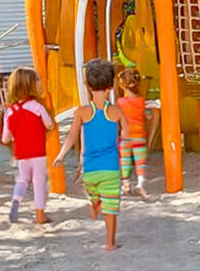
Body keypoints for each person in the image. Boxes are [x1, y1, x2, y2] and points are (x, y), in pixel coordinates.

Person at [53, 58, 124, 250]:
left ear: (86, 85)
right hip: (111, 168)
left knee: (94, 193)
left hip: (90, 169)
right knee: (111, 208)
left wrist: (61, 155)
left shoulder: (82, 112)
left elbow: (71, 136)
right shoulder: (116, 112)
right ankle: (110, 243)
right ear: (111, 85)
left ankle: (94, 203)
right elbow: (127, 137)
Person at [0, 66, 54, 224]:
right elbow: (49, 125)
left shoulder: (10, 112)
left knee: (23, 180)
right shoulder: (37, 107)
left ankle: (16, 200)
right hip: (38, 152)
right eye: (37, 80)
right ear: (31, 85)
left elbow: (5, 139)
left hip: (21, 154)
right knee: (39, 183)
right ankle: (40, 215)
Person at [115, 67, 150, 199]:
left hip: (125, 136)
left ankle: (126, 184)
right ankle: (140, 183)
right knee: (140, 161)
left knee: (125, 161)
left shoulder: (120, 102)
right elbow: (147, 115)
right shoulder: (141, 101)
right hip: (139, 135)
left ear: (122, 85)